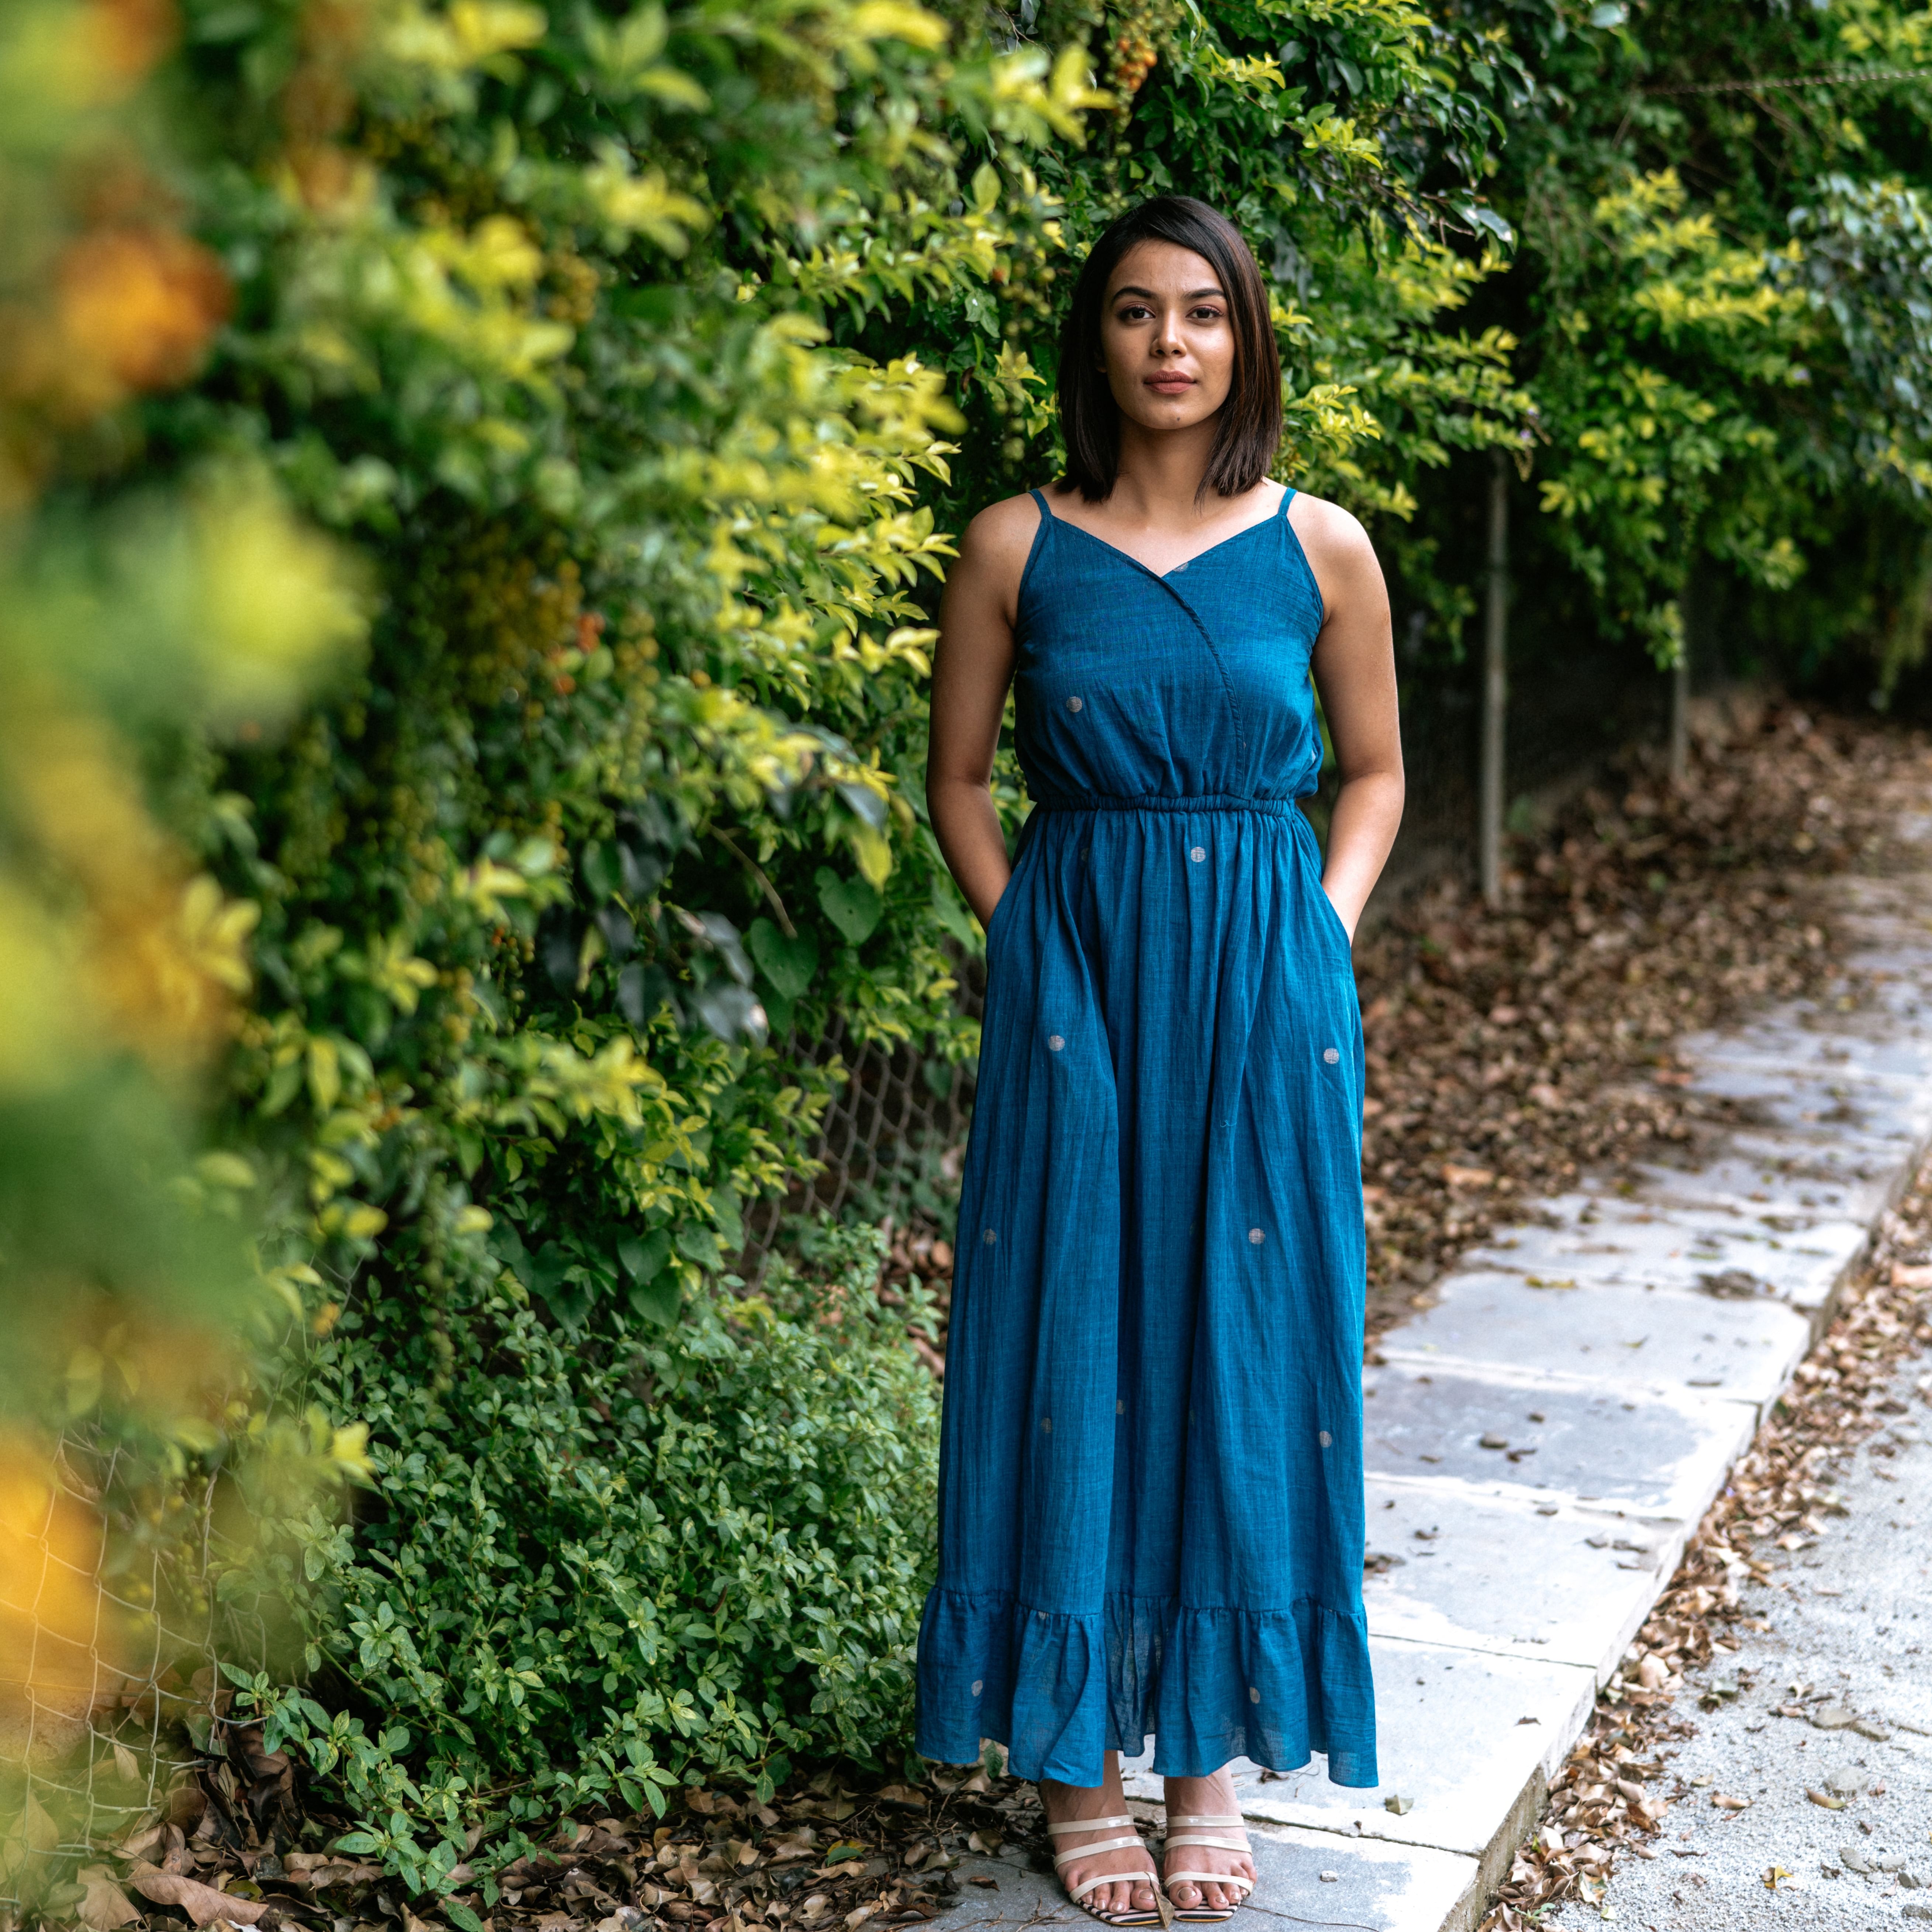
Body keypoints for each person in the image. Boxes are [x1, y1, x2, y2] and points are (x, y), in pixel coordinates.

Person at [915, 194, 1404, 1926]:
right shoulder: (1013, 546)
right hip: (1081, 984)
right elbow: (962, 782)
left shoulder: (1324, 545)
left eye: (1203, 313)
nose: (1172, 343)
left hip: (1266, 993)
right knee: (1070, 1328)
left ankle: (1205, 1761)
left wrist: (1318, 939)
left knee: (1242, 1341)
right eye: (1136, 313)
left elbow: (1373, 774)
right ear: (1097, 342)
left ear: (1246, 339)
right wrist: (1023, 936)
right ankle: (1074, 1772)